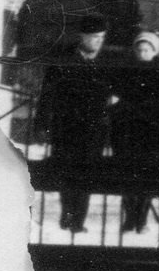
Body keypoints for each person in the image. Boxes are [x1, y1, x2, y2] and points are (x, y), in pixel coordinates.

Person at [108, 30, 159, 235]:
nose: (143, 53)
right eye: (140, 49)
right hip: (126, 132)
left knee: (149, 176)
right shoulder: (125, 70)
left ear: (155, 51)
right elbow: (112, 97)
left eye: (147, 49)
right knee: (126, 176)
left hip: (152, 134)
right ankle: (130, 217)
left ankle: (141, 219)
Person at [42, 15, 116, 232]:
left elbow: (117, 90)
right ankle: (67, 212)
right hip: (66, 125)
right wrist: (42, 124)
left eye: (101, 38)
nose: (98, 42)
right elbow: (48, 93)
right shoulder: (64, 59)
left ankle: (78, 220)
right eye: (94, 38)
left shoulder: (107, 62)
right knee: (66, 171)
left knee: (87, 174)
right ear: (82, 37)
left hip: (94, 128)